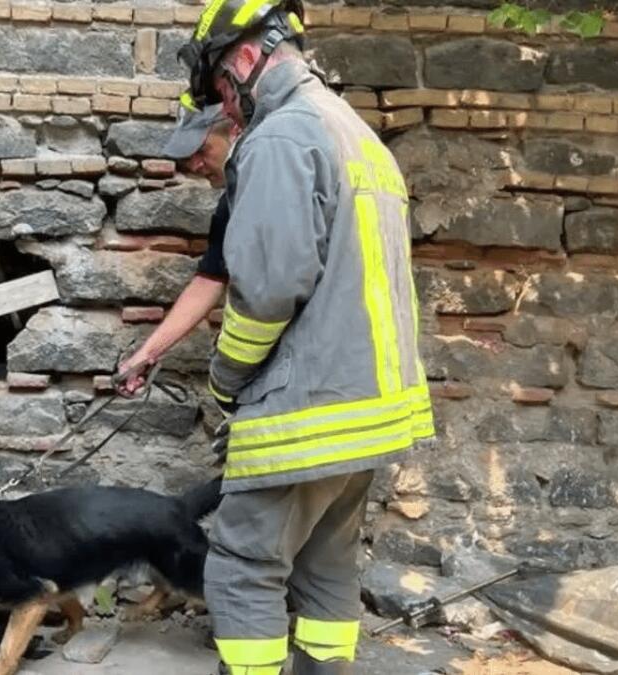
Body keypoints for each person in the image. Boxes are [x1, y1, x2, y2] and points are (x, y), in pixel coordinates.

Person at [173, 0, 436, 672]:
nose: (224, 113)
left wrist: (225, 381)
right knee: (325, 568)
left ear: (246, 59)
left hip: (308, 407)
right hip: (368, 410)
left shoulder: (281, 137)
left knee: (241, 567)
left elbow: (265, 291)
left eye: (219, 93)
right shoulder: (356, 133)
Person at [117, 103, 238, 390]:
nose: (194, 165)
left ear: (234, 131)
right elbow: (209, 281)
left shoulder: (280, 184)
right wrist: (147, 355)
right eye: (188, 157)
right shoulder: (230, 206)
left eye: (202, 150)